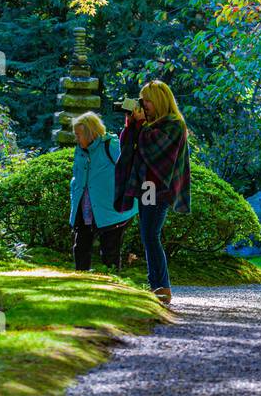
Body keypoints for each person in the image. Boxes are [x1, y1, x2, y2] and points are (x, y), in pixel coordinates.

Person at [114, 81, 191, 305]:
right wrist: (132, 124)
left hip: (160, 187)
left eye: (146, 100)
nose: (143, 104)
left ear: (158, 100)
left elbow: (155, 150)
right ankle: (156, 285)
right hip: (147, 186)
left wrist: (141, 126)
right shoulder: (150, 124)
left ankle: (162, 286)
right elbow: (127, 144)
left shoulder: (174, 124)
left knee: (151, 235)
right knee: (148, 236)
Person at [70, 112, 134, 275]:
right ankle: (80, 280)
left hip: (111, 209)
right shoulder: (79, 150)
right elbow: (76, 177)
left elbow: (130, 168)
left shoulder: (111, 146)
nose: (76, 139)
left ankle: (113, 284)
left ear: (90, 133)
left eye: (78, 135)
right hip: (84, 206)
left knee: (110, 250)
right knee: (81, 246)